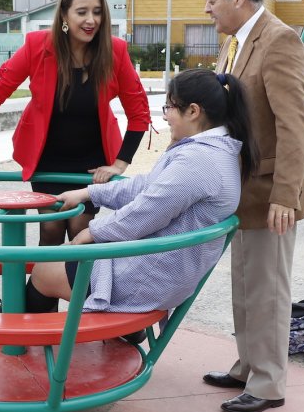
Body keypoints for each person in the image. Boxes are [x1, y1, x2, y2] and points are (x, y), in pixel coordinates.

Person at [25, 69, 254, 321]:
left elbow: (145, 211)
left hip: (144, 279)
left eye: (169, 107)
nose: (165, 116)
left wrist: (90, 233)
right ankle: (122, 334)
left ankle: (20, 336)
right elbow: (146, 187)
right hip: (162, 270)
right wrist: (88, 193)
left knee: (42, 271)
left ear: (193, 111)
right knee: (57, 262)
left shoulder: (198, 160)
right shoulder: (217, 151)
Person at [200, 0, 304, 412]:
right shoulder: (235, 43)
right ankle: (248, 365)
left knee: (268, 288)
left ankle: (269, 383)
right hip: (242, 188)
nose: (207, 9)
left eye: (212, 0)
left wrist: (287, 195)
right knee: (246, 284)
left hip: (272, 192)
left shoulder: (279, 40)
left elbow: (295, 127)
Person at [0, 0, 152, 247]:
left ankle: (77, 291)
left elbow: (139, 112)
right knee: (52, 231)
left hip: (92, 163)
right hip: (48, 159)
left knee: (82, 233)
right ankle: (36, 290)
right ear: (65, 15)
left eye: (97, 12)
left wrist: (120, 163)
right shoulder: (37, 46)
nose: (91, 20)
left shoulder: (114, 51)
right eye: (82, 12)